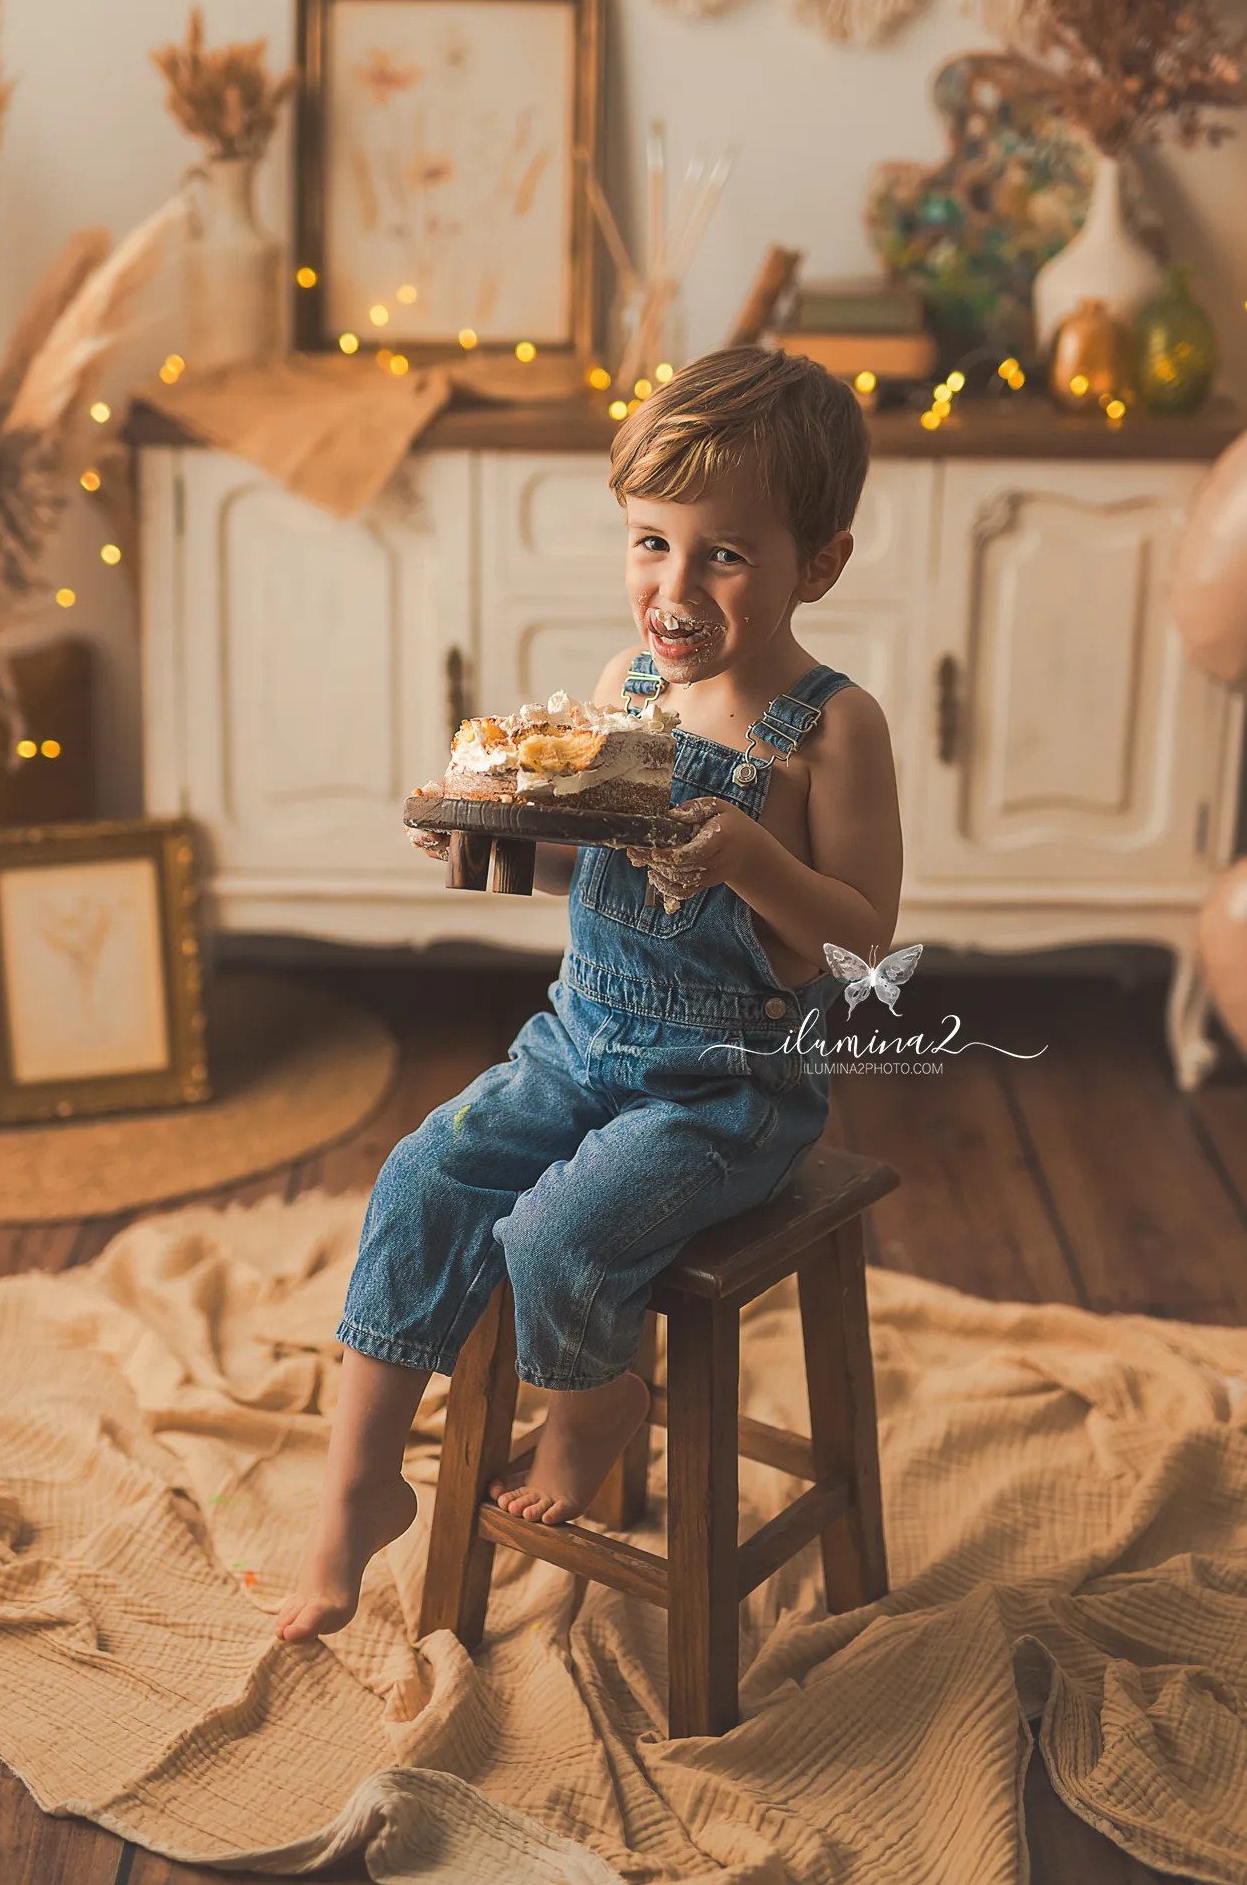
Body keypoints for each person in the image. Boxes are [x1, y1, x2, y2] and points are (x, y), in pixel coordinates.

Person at [276, 344, 903, 1645]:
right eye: (650, 543)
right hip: (579, 1044)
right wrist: (501, 839)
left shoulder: (831, 728)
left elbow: (859, 945)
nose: (674, 588)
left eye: (725, 554)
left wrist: (753, 857)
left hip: (730, 1090)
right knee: (419, 1176)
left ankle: (594, 1408)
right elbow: (595, 857)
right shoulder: (629, 693)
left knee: (553, 1239)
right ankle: (356, 1497)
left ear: (818, 566)